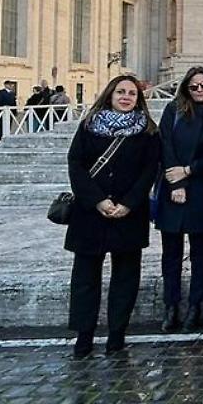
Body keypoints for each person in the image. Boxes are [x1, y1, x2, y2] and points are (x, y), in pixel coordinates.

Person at [65, 75, 160, 358]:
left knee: (126, 278)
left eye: (132, 93)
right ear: (110, 95)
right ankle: (84, 335)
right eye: (121, 92)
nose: (126, 97)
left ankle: (117, 334)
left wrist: (129, 203)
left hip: (129, 213)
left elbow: (150, 170)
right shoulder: (89, 125)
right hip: (90, 212)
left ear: (138, 99)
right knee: (85, 278)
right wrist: (97, 200)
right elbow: (76, 164)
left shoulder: (148, 130)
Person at [155, 66, 203, 334]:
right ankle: (170, 306)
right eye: (194, 86)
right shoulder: (173, 111)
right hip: (172, 187)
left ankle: (195, 305)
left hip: (202, 188)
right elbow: (165, 145)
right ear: (186, 88)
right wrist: (177, 182)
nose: (199, 90)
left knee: (200, 252)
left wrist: (189, 171)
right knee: (170, 253)